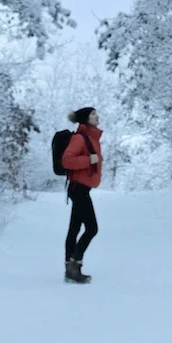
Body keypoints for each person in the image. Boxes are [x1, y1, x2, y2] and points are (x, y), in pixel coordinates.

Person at [62, 107, 103, 284]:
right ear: (86, 118)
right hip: (78, 188)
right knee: (92, 228)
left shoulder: (91, 138)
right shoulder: (80, 138)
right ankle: (74, 266)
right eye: (93, 114)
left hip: (81, 188)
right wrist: (89, 160)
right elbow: (67, 160)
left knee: (75, 229)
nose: (97, 116)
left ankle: (70, 269)